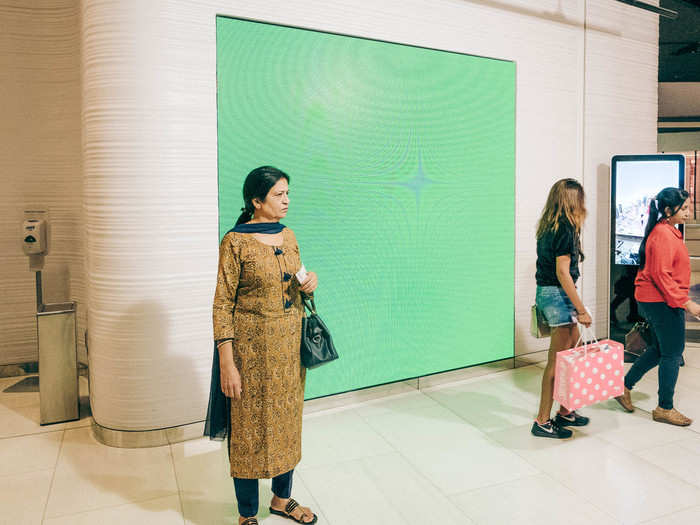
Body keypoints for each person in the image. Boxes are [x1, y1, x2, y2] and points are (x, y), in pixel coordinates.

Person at [208, 166, 319, 525]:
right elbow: (222, 303)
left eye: (288, 193)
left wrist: (310, 283)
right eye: (278, 194)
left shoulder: (288, 236)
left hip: (289, 351)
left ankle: (281, 499)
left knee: (287, 423)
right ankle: (246, 514)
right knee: (248, 430)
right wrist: (228, 361)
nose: (286, 200)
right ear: (257, 201)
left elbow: (297, 278)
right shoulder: (235, 242)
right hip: (249, 355)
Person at [615, 187, 700, 425]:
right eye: (683, 209)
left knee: (659, 349)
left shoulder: (667, 231)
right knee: (673, 352)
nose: (687, 212)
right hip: (660, 299)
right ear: (668, 210)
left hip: (657, 298)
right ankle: (665, 407)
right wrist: (686, 303)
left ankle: (623, 386)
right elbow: (661, 275)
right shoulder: (663, 234)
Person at [532, 178, 592, 439]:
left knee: (570, 357)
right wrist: (580, 309)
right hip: (558, 296)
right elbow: (562, 273)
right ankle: (542, 421)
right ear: (572, 201)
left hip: (549, 294)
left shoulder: (549, 226)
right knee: (557, 363)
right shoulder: (565, 228)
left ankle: (566, 411)